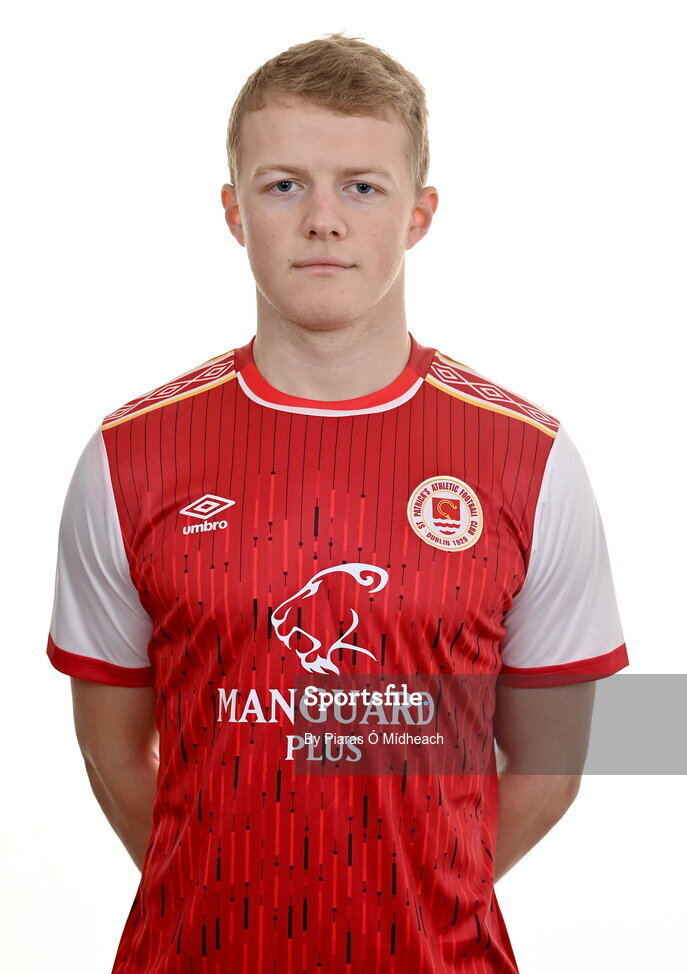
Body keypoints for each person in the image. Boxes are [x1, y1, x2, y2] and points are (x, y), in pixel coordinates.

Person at [45, 31, 629, 973]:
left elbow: (552, 769)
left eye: (361, 185)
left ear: (419, 214)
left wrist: (408, 901)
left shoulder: (531, 460)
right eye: (285, 185)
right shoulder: (127, 458)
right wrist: (224, 893)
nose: (323, 219)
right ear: (235, 212)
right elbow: (115, 756)